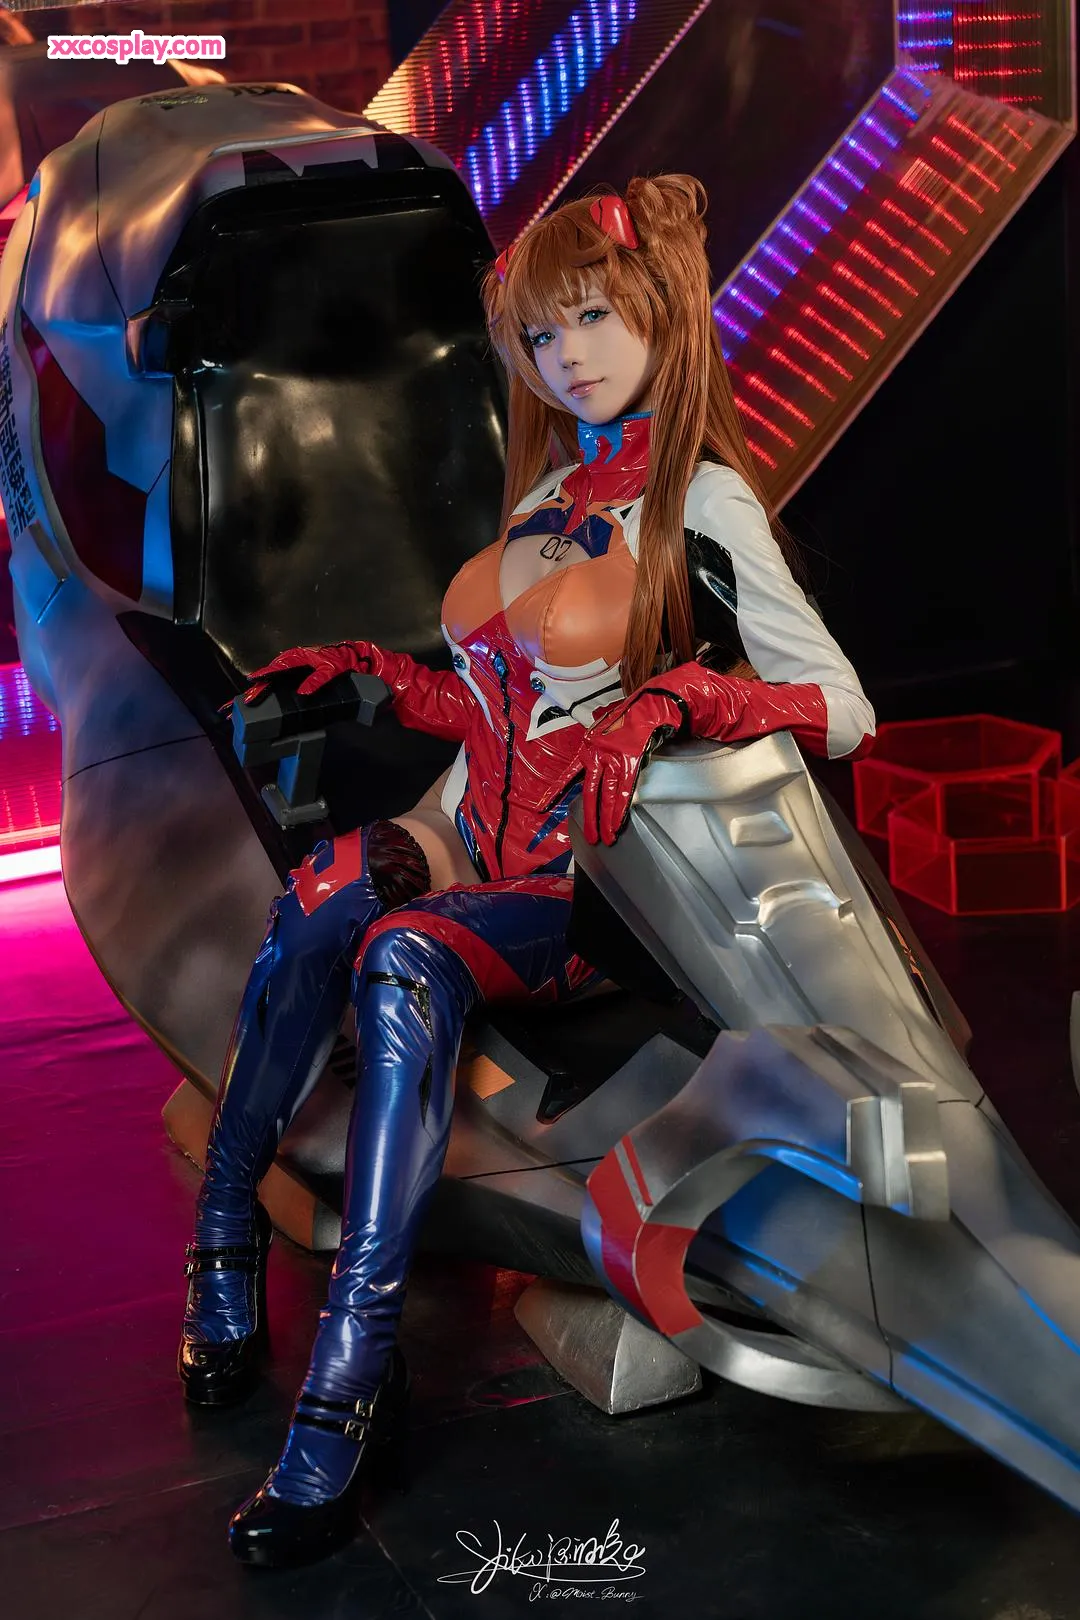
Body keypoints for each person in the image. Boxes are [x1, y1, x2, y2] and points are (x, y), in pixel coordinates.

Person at [178, 173, 875, 1569]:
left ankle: (346, 1387)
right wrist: (383, 677)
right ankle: (223, 1243)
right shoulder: (552, 491)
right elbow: (503, 706)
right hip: (472, 835)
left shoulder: (706, 500)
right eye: (543, 337)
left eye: (595, 320)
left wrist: (684, 696)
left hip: (592, 887)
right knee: (324, 891)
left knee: (404, 953)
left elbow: (844, 709)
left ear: (664, 313)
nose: (568, 358)